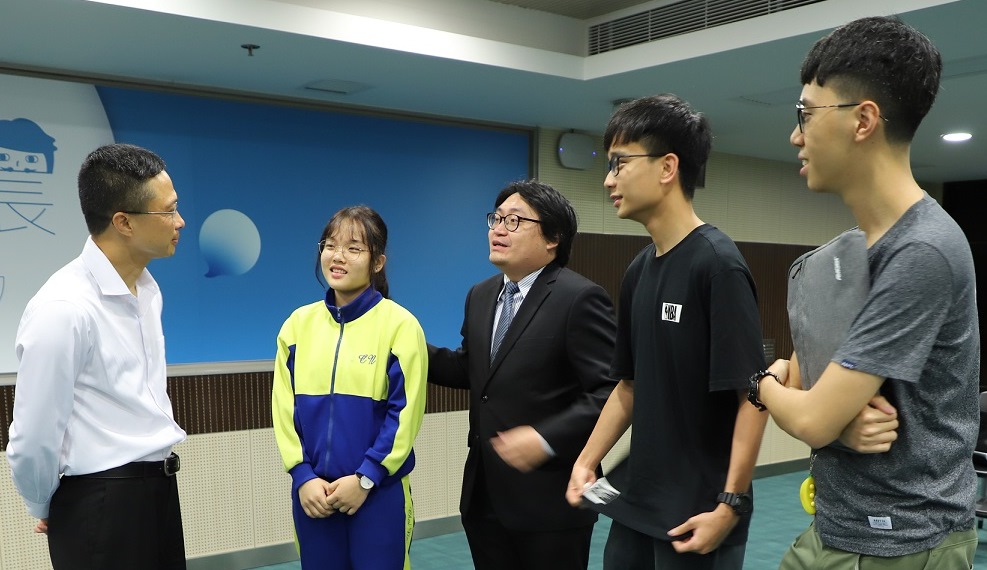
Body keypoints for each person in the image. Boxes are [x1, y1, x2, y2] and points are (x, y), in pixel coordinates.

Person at [750, 15, 980, 568]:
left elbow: (810, 416)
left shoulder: (921, 251)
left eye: (806, 114)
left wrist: (759, 385)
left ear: (863, 120)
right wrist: (818, 411)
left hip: (902, 544)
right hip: (836, 526)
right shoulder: (848, 254)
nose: (796, 135)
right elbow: (808, 387)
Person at [566, 94, 768, 570]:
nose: (608, 179)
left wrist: (730, 504)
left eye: (620, 163)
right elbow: (629, 385)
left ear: (667, 167)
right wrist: (586, 460)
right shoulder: (639, 269)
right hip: (639, 502)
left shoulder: (717, 264)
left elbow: (753, 397)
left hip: (698, 512)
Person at [6, 143, 188, 569]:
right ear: (123, 222)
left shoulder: (148, 290)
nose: (179, 222)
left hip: (158, 490)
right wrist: (44, 503)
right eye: (168, 211)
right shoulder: (64, 307)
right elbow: (33, 434)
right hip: (99, 502)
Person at [428, 179, 617, 570]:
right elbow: (471, 369)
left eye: (514, 221)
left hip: (550, 499)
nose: (498, 229)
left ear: (553, 238)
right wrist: (408, 347)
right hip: (484, 496)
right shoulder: (480, 295)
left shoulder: (579, 298)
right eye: (496, 219)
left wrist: (545, 438)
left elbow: (609, 391)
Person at [272, 205, 427, 569]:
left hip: (378, 495)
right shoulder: (297, 326)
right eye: (330, 245)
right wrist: (302, 476)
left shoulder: (400, 326)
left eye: (353, 248)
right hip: (314, 497)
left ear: (378, 262)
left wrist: (366, 478)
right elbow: (284, 411)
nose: (337, 256)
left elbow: (404, 416)